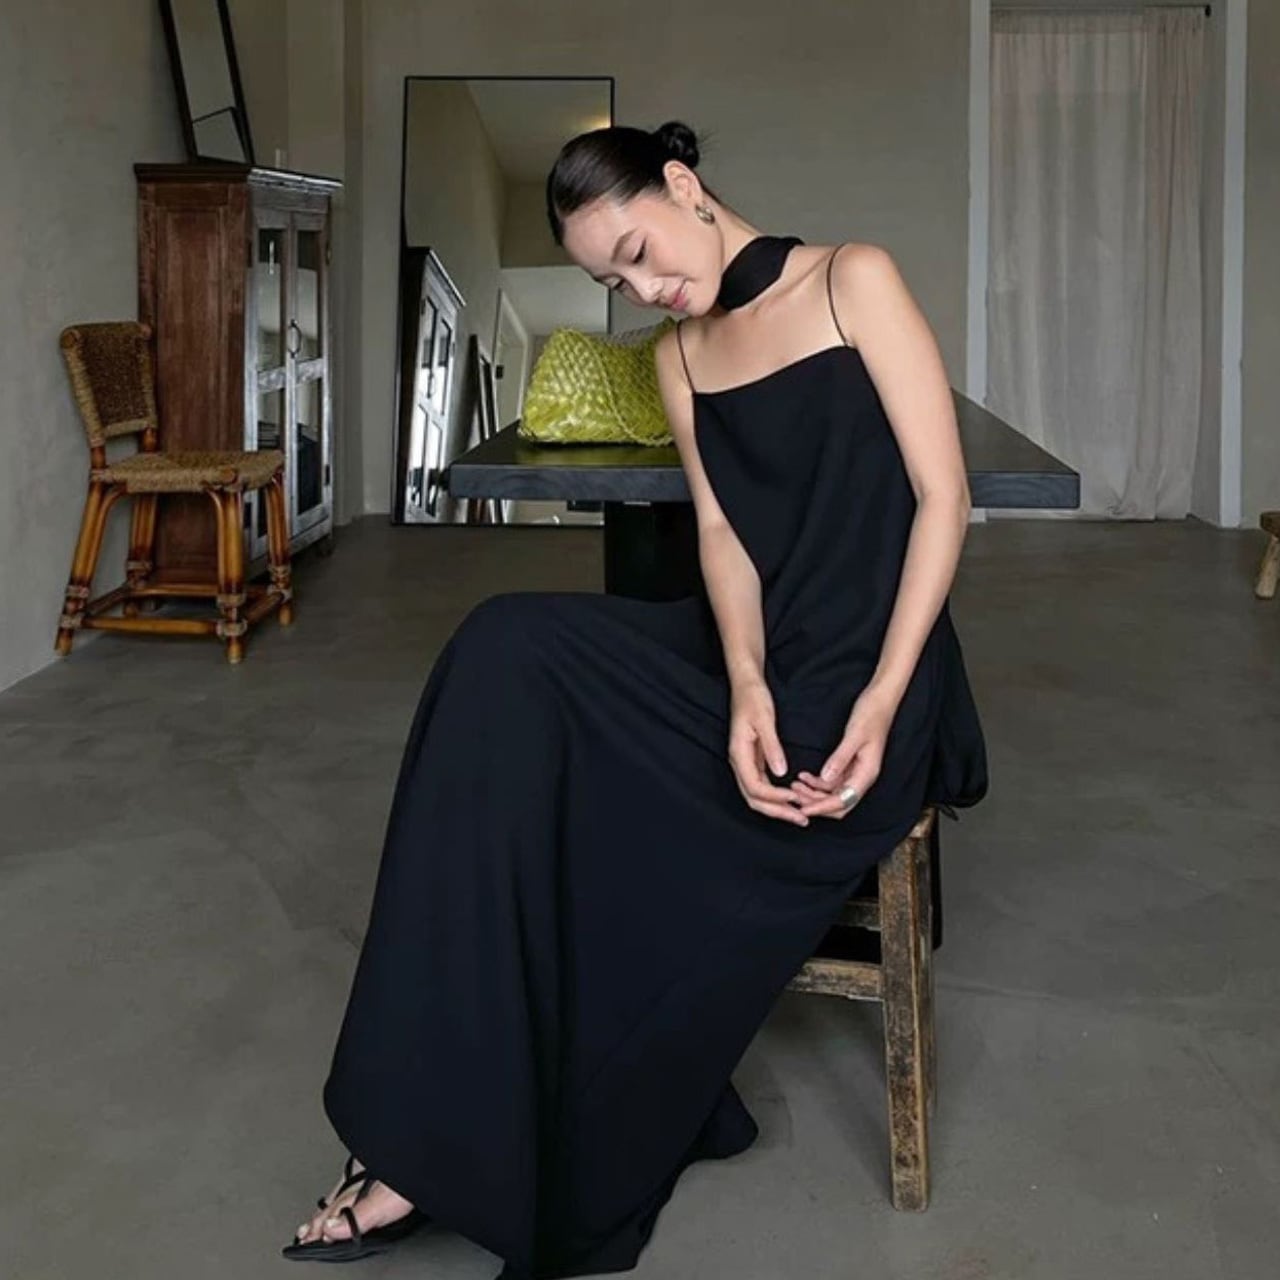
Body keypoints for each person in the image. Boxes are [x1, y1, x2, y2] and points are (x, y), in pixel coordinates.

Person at [282, 119, 988, 1278]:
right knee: (502, 655)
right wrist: (743, 682)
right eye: (615, 281)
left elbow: (941, 496)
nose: (646, 287)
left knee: (617, 796)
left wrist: (878, 697)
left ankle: (503, 1124)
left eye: (640, 251)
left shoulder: (850, 280)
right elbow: (723, 536)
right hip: (753, 654)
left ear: (681, 184)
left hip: (873, 672)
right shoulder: (679, 357)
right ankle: (416, 1127)